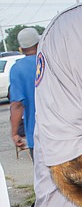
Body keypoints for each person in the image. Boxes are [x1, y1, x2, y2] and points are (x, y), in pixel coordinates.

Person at [9, 27, 41, 160]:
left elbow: (17, 104)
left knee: (45, 179)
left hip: (37, 134)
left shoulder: (18, 69)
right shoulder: (50, 61)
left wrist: (15, 133)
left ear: (21, 48)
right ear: (39, 43)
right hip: (64, 131)